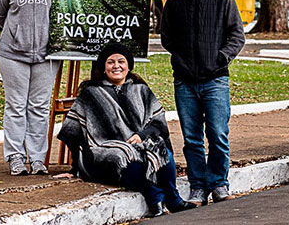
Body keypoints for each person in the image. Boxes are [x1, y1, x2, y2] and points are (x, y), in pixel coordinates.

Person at [56, 43, 197, 218]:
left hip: (140, 144)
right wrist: (75, 169)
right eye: (110, 62)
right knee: (125, 160)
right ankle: (155, 197)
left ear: (128, 66)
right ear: (103, 67)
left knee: (161, 150)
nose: (116, 66)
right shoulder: (90, 94)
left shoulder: (142, 90)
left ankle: (173, 199)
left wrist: (141, 136)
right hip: (105, 150)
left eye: (121, 61)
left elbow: (158, 123)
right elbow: (74, 133)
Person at [161, 0, 245, 205]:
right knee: (192, 138)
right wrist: (182, 60)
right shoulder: (174, 2)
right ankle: (198, 187)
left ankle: (219, 183)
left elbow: (236, 36)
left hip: (216, 80)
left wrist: (219, 58)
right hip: (185, 81)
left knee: (218, 133)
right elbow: (167, 39)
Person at [0, 0, 58, 176]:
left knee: (39, 107)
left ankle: (38, 159)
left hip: (46, 55)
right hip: (13, 54)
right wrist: (17, 32)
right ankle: (16, 157)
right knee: (16, 106)